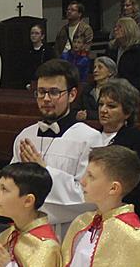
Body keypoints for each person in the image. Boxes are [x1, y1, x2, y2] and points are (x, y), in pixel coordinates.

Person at [12, 59, 103, 233]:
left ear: (72, 95)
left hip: (69, 232)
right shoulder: (25, 136)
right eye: (41, 92)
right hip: (26, 230)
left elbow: (89, 195)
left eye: (54, 92)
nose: (46, 99)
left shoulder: (89, 139)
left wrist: (44, 172)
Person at [92, 78, 140, 230]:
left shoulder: (137, 139)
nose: (103, 110)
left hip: (126, 216)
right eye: (101, 104)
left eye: (111, 106)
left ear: (127, 112)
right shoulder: (90, 135)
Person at [108, 15, 140, 95]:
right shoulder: (113, 49)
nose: (115, 29)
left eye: (119, 27)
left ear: (129, 29)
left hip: (133, 93)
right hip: (113, 91)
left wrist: (124, 88)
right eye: (115, 27)